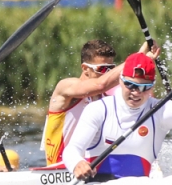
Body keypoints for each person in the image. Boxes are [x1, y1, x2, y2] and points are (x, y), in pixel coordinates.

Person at [64, 53, 172, 181]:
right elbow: (72, 149)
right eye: (131, 85)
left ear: (152, 86)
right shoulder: (98, 109)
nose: (137, 92)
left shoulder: (158, 110)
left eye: (145, 87)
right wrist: (77, 163)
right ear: (120, 80)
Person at [41, 38, 159, 166]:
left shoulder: (106, 99)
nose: (107, 73)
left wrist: (145, 63)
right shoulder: (66, 88)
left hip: (92, 166)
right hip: (61, 167)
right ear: (85, 68)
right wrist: (138, 57)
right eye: (102, 69)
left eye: (111, 68)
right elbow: (100, 84)